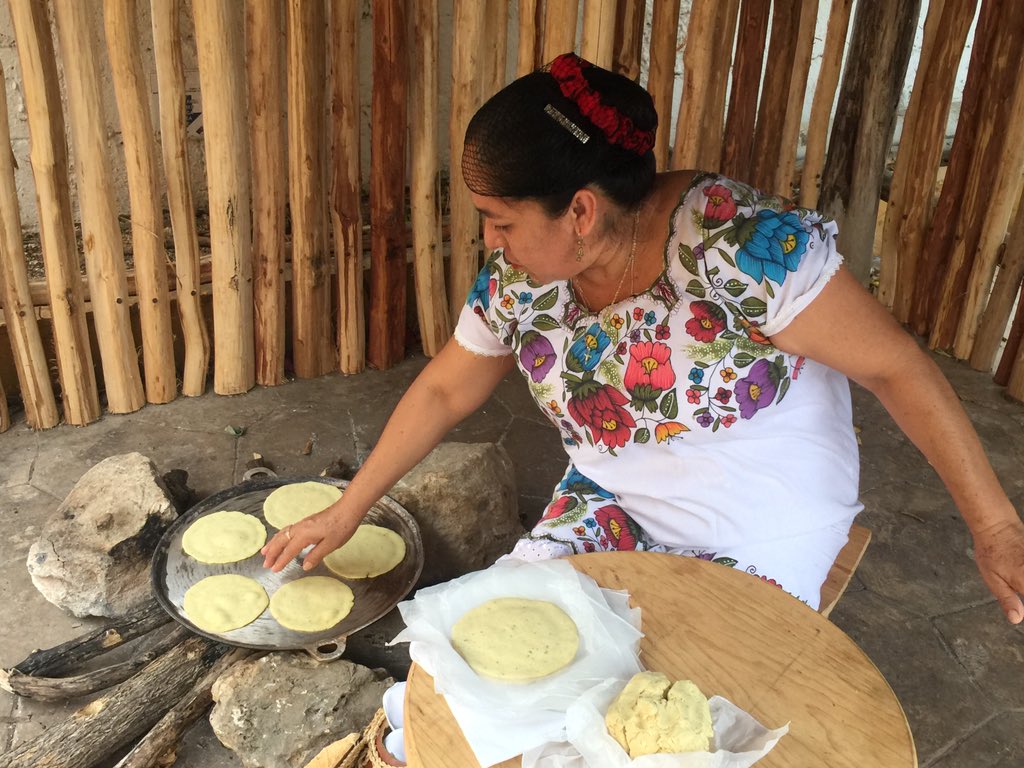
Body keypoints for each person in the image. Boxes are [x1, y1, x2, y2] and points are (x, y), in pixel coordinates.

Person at [263, 52, 1024, 620]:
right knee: (495, 649)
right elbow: (444, 387)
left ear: (582, 212)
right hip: (614, 496)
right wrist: (348, 506)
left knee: (674, 717)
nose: (492, 241)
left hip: (761, 514)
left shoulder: (742, 247)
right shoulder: (525, 275)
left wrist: (994, 526)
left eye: (502, 220)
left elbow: (896, 368)